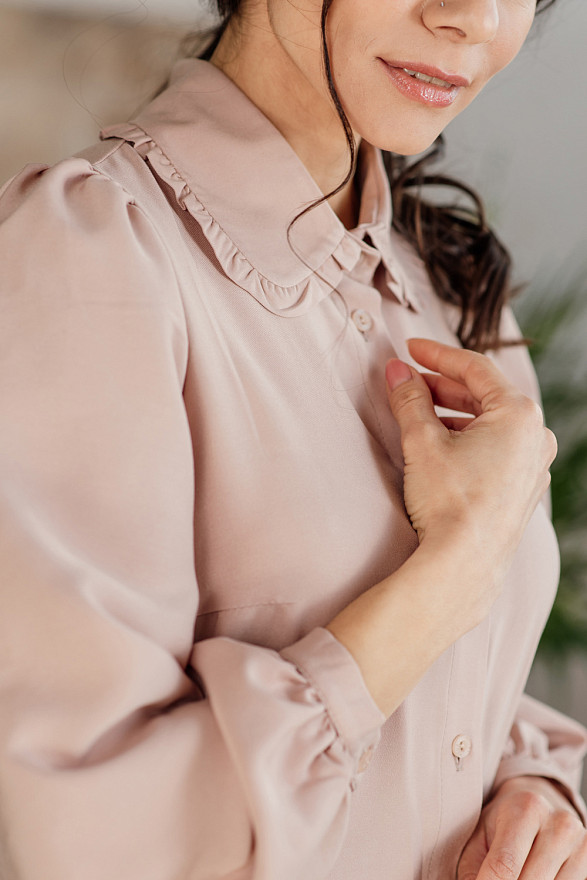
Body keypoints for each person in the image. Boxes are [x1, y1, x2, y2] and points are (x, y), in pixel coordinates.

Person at [1, 0, 586, 877]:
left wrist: (535, 786)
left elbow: (466, 702)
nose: (472, 17)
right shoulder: (91, 256)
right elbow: (93, 837)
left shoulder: (455, 291)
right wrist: (455, 566)